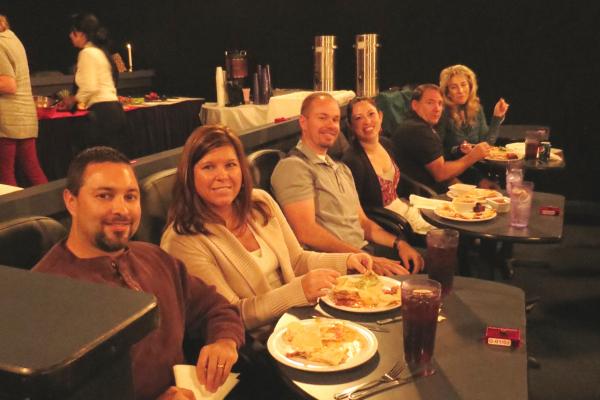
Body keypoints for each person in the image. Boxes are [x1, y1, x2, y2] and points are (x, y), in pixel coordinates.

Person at [32, 146, 244, 400]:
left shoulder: (154, 257)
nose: (121, 209)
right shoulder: (44, 293)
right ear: (71, 201)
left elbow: (215, 307)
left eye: (130, 197)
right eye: (104, 196)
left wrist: (224, 342)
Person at [160, 124, 372, 335]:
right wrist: (298, 291)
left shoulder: (260, 202)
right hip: (256, 344)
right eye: (208, 167)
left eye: (230, 165)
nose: (222, 175)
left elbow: (297, 260)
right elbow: (230, 315)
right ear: (189, 175)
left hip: (300, 322)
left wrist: (345, 261)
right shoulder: (183, 239)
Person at [271, 92, 424, 275]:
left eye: (335, 119)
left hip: (364, 252)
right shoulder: (293, 167)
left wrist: (400, 243)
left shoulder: (341, 168)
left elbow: (363, 223)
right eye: (323, 118)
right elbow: (306, 232)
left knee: (434, 258)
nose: (330, 125)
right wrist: (366, 259)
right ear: (303, 122)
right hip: (340, 265)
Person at [342, 97, 433, 235]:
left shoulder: (386, 143)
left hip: (407, 208)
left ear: (380, 116)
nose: (367, 121)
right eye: (358, 118)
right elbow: (359, 211)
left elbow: (399, 182)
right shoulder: (352, 161)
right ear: (351, 125)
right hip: (390, 224)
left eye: (371, 114)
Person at [391, 84, 491, 193]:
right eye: (430, 103)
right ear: (415, 105)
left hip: (435, 189)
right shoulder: (419, 130)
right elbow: (441, 173)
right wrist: (473, 156)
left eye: (440, 103)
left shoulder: (415, 125)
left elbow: (439, 162)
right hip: (427, 197)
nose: (437, 109)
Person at [63, 13, 128, 152]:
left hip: (103, 114)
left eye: (73, 32)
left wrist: (72, 99)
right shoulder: (100, 52)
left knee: (100, 161)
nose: (70, 36)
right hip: (115, 111)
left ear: (82, 34)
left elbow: (89, 87)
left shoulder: (87, 53)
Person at [0, 15, 48, 186]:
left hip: (8, 119)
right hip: (24, 115)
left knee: (5, 173)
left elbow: (8, 84)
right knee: (31, 168)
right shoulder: (13, 40)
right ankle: (51, 210)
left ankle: (12, 213)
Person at [438, 64, 509, 158]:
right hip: (453, 167)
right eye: (454, 87)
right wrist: (458, 150)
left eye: (463, 85)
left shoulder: (477, 108)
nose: (461, 90)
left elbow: (487, 144)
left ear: (470, 87)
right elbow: (437, 152)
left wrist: (497, 117)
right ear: (447, 92)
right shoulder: (441, 112)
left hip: (477, 166)